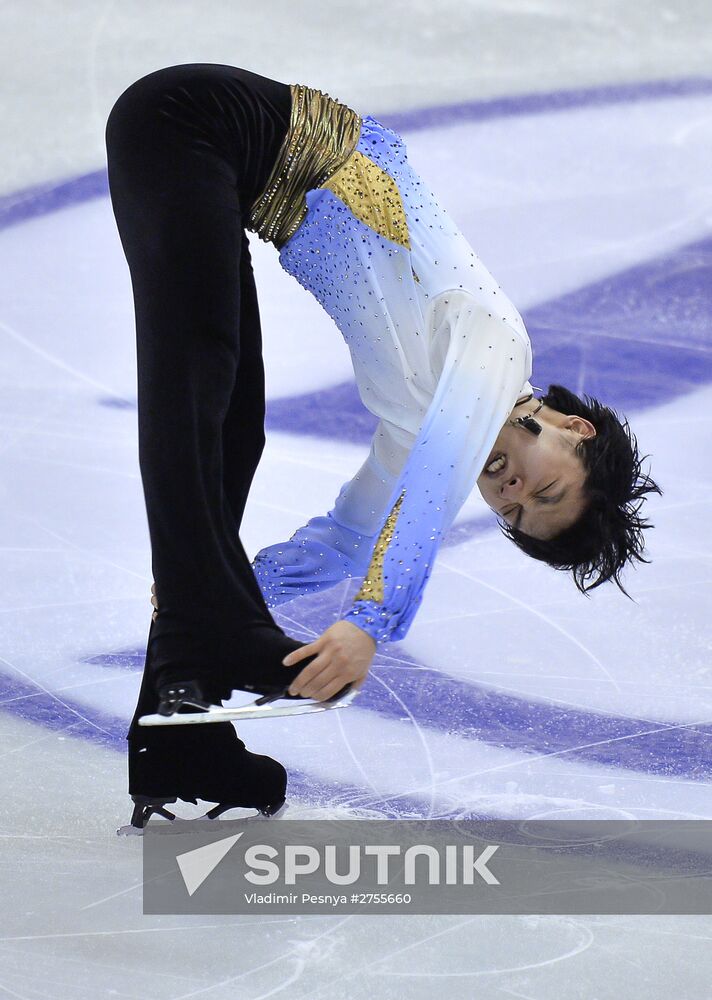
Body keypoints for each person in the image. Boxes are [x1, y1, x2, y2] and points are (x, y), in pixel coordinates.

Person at [105, 63, 660, 829]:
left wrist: (226, 579)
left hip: (215, 171)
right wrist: (372, 621)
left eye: (516, 515)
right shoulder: (496, 348)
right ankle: (207, 633)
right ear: (574, 429)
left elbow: (346, 538)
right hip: (194, 121)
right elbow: (432, 482)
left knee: (233, 426)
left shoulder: (420, 424)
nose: (511, 494)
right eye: (547, 489)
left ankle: (180, 737)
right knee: (197, 379)